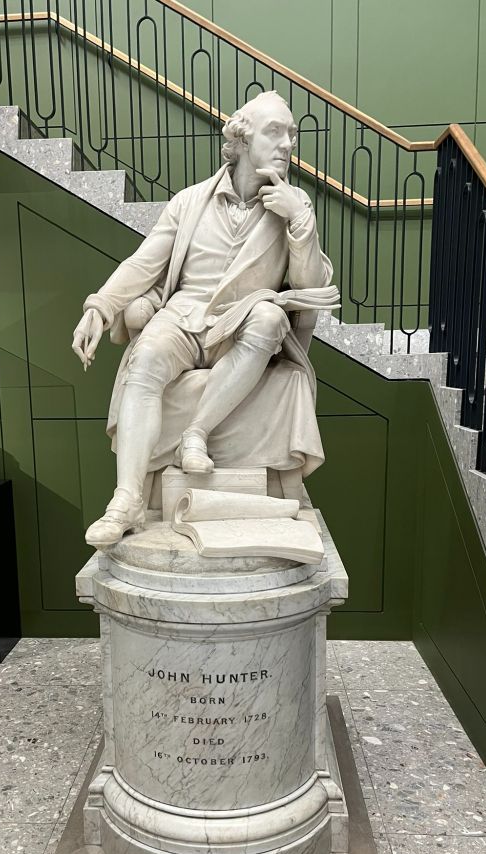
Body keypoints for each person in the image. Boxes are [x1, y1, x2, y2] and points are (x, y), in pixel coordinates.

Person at [71, 90, 337, 546]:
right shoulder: (190, 201)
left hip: (242, 324)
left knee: (269, 318)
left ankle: (198, 431)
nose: (288, 144)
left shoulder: (295, 207)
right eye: (275, 132)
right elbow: (144, 263)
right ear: (243, 137)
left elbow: (311, 286)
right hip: (184, 314)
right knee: (147, 358)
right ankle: (127, 500)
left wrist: (300, 222)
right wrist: (100, 306)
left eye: (292, 135)